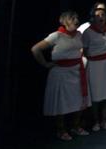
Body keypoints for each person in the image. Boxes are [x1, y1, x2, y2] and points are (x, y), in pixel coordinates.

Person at [31, 11, 92, 140]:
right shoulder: (56, 36)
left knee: (79, 100)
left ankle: (75, 126)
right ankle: (61, 129)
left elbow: (81, 49)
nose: (76, 20)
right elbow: (35, 49)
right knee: (61, 102)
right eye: (72, 18)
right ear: (65, 22)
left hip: (76, 71)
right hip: (61, 73)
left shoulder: (79, 35)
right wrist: (46, 64)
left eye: (77, 18)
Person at [82, 3, 106, 131]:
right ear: (93, 17)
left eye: (103, 15)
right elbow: (84, 50)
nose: (101, 17)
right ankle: (96, 121)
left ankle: (104, 120)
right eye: (98, 15)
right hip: (94, 66)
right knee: (96, 95)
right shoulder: (88, 32)